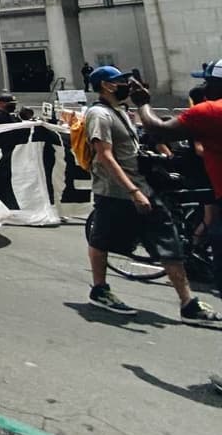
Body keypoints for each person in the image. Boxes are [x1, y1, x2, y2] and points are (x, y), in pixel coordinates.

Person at [82, 65, 221, 326]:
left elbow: (148, 138)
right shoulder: (99, 114)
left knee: (170, 244)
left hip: (144, 187)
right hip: (115, 191)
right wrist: (133, 191)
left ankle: (187, 302)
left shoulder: (121, 111)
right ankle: (99, 289)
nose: (126, 85)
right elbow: (105, 156)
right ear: (106, 86)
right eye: (120, 81)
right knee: (102, 240)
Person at [132, 59, 222, 295]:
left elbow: (158, 128)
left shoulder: (210, 111)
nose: (204, 88)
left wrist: (142, 103)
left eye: (208, 82)